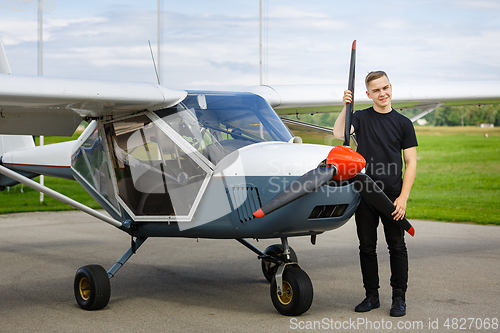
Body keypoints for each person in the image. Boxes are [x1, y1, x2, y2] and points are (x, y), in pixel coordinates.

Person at [333, 71, 417, 317]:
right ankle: (371, 296)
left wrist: (403, 198)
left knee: (397, 246)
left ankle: (399, 298)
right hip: (366, 192)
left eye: (385, 88)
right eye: (376, 90)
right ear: (368, 94)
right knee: (367, 247)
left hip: (391, 195)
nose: (382, 94)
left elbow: (410, 162)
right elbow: (339, 134)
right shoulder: (360, 118)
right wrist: (346, 106)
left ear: (391, 87)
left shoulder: (404, 123)